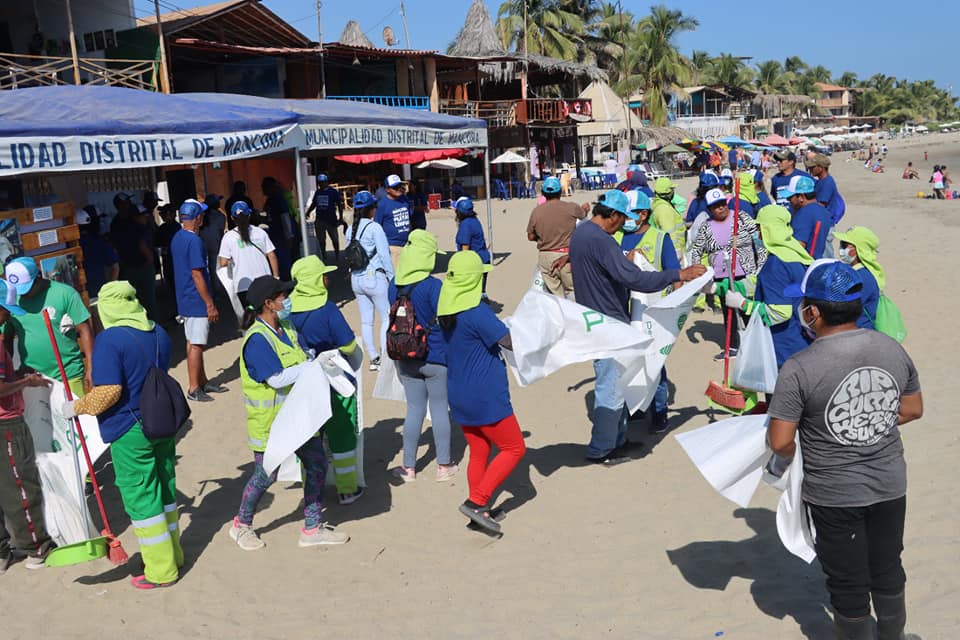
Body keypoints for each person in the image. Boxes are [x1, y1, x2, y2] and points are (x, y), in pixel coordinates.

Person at [766, 261, 923, 640]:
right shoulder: (891, 348)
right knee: (887, 568)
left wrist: (806, 447)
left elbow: (780, 440)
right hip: (889, 483)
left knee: (848, 583)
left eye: (803, 304)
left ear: (813, 312)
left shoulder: (799, 367)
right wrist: (867, 422)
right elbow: (912, 409)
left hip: (834, 493)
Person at [570, 190, 705, 463]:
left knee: (617, 383)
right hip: (608, 323)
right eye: (622, 220)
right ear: (613, 216)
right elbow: (636, 280)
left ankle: (618, 440)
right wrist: (680, 274)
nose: (623, 226)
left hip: (594, 319)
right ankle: (602, 449)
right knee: (610, 388)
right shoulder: (602, 241)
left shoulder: (582, 233)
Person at [62, 281, 181, 588]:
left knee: (142, 498)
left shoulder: (110, 340)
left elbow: (109, 392)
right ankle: (173, 553)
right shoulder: (157, 331)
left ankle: (160, 570)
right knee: (165, 487)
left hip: (131, 429)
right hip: (162, 421)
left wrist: (75, 407)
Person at [229, 275, 350, 550]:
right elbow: (276, 378)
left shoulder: (287, 326)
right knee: (265, 475)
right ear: (268, 304)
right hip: (271, 424)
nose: (287, 299)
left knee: (317, 465)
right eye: (282, 296)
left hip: (299, 419)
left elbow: (303, 353)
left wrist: (314, 360)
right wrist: (311, 367)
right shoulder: (257, 340)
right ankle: (241, 524)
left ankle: (312, 527)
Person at [437, 251, 524, 534]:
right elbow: (509, 342)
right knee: (514, 447)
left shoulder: (446, 311)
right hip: (485, 395)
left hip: (459, 393)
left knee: (479, 450)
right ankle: (477, 502)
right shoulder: (476, 313)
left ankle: (480, 511)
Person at [288, 256, 365, 506]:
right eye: (323, 275)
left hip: (302, 382)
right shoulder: (328, 308)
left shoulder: (287, 311)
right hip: (332, 380)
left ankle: (311, 492)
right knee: (341, 434)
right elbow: (349, 344)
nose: (327, 278)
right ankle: (347, 490)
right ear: (314, 280)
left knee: (309, 438)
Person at [387, 230, 457, 482]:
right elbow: (447, 319)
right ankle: (444, 465)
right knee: (439, 409)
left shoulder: (393, 287)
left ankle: (409, 467)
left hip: (405, 355)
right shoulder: (433, 286)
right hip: (435, 355)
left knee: (414, 409)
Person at [0, 279, 54, 572]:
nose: (7, 316)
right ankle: (36, 547)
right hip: (6, 424)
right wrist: (26, 382)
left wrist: (16, 373)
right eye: (5, 311)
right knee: (21, 484)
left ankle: (2, 551)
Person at [616, 191, 681, 432]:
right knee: (629, 362)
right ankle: (636, 406)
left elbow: (675, 275)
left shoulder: (660, 238)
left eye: (628, 214)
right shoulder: (617, 237)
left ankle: (659, 410)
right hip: (624, 311)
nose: (624, 219)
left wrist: (675, 309)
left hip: (654, 313)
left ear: (643, 214)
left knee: (655, 364)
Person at [723, 205, 812, 368]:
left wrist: (744, 304)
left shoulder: (777, 264)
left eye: (759, 228)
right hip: (801, 343)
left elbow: (779, 312)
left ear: (769, 229)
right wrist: (730, 286)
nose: (756, 234)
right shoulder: (795, 256)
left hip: (782, 349)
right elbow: (768, 284)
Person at [688, 188, 766, 359]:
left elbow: (759, 240)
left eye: (722, 204)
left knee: (747, 309)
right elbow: (697, 251)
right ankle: (732, 346)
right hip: (722, 276)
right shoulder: (706, 226)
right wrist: (698, 272)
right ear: (709, 209)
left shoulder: (741, 217)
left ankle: (755, 345)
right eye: (716, 206)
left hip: (745, 273)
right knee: (728, 310)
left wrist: (761, 264)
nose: (721, 208)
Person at [3, 257, 93, 395]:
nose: (22, 293)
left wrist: (91, 367)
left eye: (26, 287)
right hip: (32, 378)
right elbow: (6, 338)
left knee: (76, 415)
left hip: (69, 374)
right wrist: (9, 376)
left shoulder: (65, 293)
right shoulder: (11, 301)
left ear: (38, 276)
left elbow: (84, 329)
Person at [170, 199, 223, 402]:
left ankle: (202, 381)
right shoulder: (194, 241)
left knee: (192, 341)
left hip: (185, 298)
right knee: (197, 344)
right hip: (196, 299)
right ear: (198, 218)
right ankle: (194, 387)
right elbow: (197, 274)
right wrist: (209, 303)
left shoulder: (178, 237)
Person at [345, 191, 393, 371]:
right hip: (374, 277)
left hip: (356, 279)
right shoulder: (375, 228)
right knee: (386, 318)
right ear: (370, 209)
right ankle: (386, 357)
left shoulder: (350, 229)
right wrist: (392, 277)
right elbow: (384, 255)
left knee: (366, 321)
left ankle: (374, 358)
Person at [526, 176, 587, 299]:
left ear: (543, 193)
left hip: (546, 256)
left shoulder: (536, 211)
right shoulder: (571, 207)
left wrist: (542, 237)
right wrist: (585, 209)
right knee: (574, 292)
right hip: (568, 255)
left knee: (555, 296)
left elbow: (530, 236)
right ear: (560, 192)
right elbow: (583, 215)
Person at [218, 201, 279, 316]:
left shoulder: (228, 237)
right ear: (249, 215)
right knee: (268, 315)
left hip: (243, 286)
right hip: (265, 282)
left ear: (232, 218)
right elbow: (272, 256)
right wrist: (276, 277)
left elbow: (223, 263)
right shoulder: (260, 232)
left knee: (252, 318)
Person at [110, 196, 157, 320]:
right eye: (143, 215)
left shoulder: (117, 223)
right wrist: (150, 261)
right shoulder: (137, 227)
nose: (145, 217)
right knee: (148, 300)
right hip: (140, 267)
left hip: (127, 267)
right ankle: (152, 326)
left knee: (135, 301)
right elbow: (142, 246)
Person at [834, 226, 883, 329]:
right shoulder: (854, 272)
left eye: (844, 245)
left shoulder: (862, 277)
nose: (841, 249)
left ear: (858, 250)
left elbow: (846, 308)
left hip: (859, 332)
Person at [780, 175, 833, 259]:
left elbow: (798, 246)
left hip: (805, 263)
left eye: (790, 197)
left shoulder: (803, 214)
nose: (788, 201)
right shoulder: (824, 211)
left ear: (801, 197)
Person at [375, 174, 423, 266]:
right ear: (387, 189)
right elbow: (377, 226)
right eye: (394, 187)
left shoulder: (405, 199)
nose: (398, 189)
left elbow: (409, 218)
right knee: (397, 276)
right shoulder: (382, 204)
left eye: (399, 186)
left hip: (407, 244)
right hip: (392, 246)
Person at [78, 205, 119, 299]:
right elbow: (115, 267)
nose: (101, 223)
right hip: (98, 294)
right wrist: (109, 291)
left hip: (78, 296)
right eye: (98, 220)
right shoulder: (99, 242)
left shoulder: (69, 244)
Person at [454, 197, 491, 299]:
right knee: (481, 291)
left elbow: (465, 248)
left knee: (472, 294)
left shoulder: (465, 225)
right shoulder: (474, 220)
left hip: (475, 262)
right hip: (483, 258)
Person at [305, 174, 345, 264]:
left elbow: (339, 204)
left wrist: (341, 217)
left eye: (322, 182)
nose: (321, 184)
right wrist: (308, 212)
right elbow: (314, 204)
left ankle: (337, 255)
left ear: (326, 182)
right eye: (319, 183)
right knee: (321, 240)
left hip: (331, 220)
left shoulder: (333, 192)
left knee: (334, 239)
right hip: (320, 220)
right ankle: (324, 256)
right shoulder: (318, 192)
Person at [260, 177, 295, 280]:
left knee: (284, 263)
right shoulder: (270, 200)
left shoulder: (278, 198)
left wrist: (289, 235)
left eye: (264, 187)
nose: (262, 190)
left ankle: (288, 284)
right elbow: (271, 218)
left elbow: (285, 217)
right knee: (278, 261)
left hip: (281, 236)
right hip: (274, 235)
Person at [651, 177, 686, 260]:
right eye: (672, 189)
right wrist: (677, 252)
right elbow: (670, 231)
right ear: (668, 192)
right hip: (675, 251)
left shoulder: (661, 205)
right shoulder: (664, 209)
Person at [199, 194, 227, 294]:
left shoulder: (203, 216)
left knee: (206, 268)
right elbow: (220, 232)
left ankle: (209, 289)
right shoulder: (220, 216)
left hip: (203, 244)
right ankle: (218, 289)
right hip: (216, 244)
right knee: (215, 267)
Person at [154, 204, 181, 297]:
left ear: (172, 214)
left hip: (177, 261)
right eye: (162, 214)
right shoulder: (162, 228)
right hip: (167, 260)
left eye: (165, 213)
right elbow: (157, 243)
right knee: (170, 282)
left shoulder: (177, 228)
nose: (163, 216)